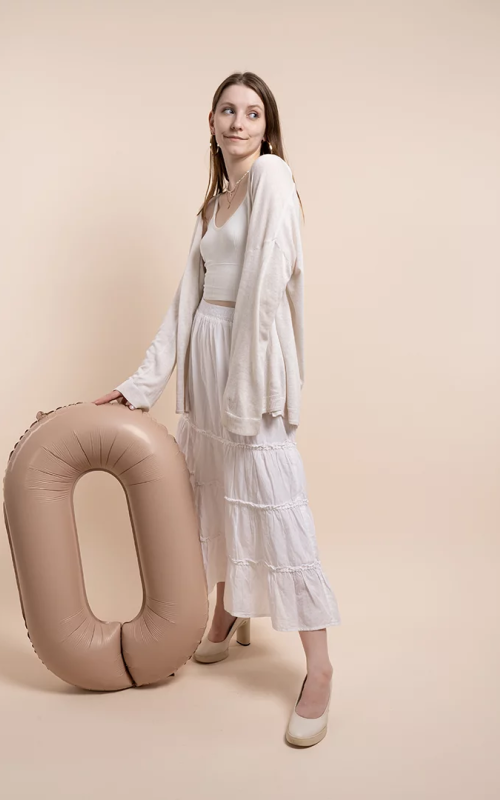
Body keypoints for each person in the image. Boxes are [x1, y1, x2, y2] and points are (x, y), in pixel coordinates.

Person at [94, 72, 339, 746]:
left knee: (272, 498)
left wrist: (247, 383)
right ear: (211, 121)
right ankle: (230, 609)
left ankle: (319, 669)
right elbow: (186, 300)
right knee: (213, 488)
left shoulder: (271, 177)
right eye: (228, 110)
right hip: (207, 354)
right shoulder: (214, 202)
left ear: (266, 126)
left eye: (252, 113)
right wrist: (141, 385)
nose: (238, 122)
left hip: (247, 357)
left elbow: (269, 281)